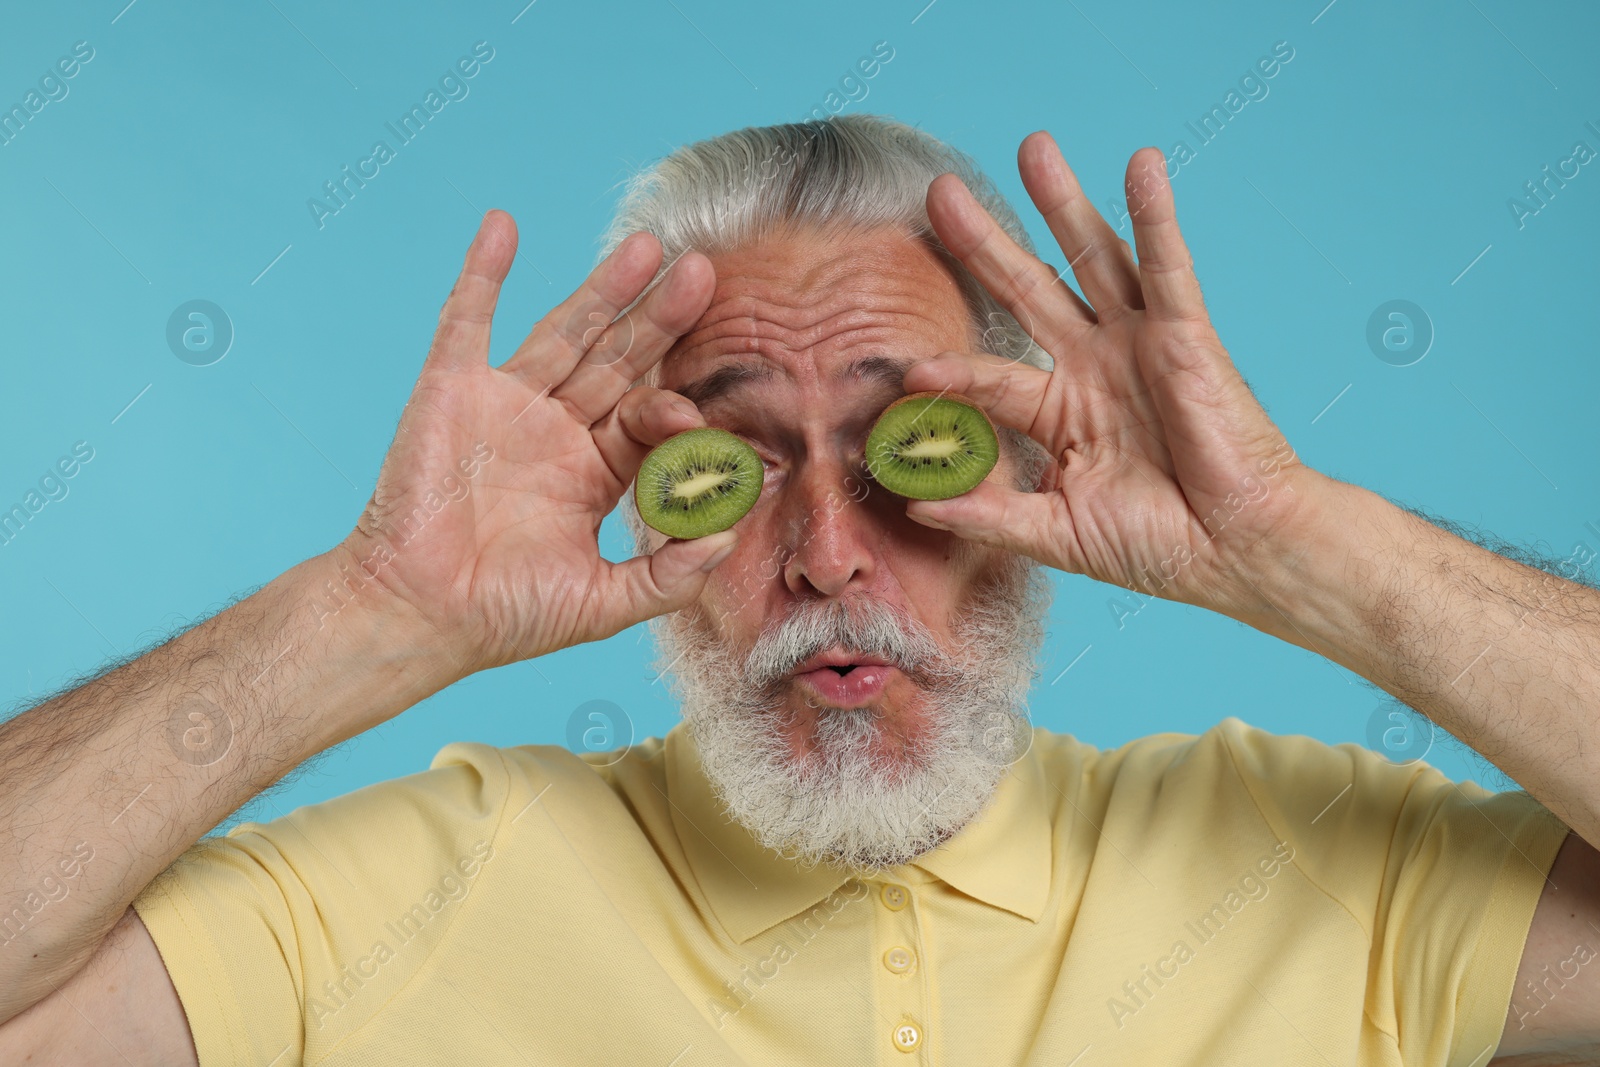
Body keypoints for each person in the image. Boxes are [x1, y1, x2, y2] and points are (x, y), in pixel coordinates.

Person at [2, 113, 1598, 1065]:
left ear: (1039, 478)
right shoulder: (424, 880)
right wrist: (368, 613)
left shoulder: (1317, 873)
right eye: (744, 465)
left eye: (914, 456)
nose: (831, 557)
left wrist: (1308, 549)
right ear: (637, 497)